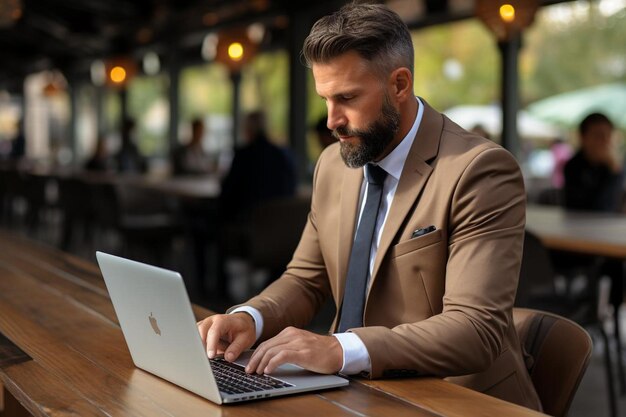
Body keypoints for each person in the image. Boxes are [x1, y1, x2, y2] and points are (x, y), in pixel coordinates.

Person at [198, 4, 540, 411]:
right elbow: (306, 280)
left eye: (346, 97)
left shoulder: (480, 170)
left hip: (456, 397)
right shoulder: (333, 164)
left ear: (399, 84)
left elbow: (476, 330)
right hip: (358, 390)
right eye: (325, 98)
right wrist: (249, 319)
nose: (331, 121)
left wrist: (340, 350)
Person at [219, 111, 296, 220]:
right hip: (279, 223)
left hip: (248, 222)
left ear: (248, 130)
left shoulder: (243, 155)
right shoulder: (283, 155)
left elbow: (228, 192)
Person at [564, 113, 623, 212]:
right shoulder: (573, 166)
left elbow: (617, 205)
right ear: (583, 137)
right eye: (598, 135)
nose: (605, 141)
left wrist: (614, 171)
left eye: (608, 135)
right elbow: (595, 208)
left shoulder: (616, 165)